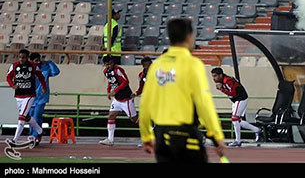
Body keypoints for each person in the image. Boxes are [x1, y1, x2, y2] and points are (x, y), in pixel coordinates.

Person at [139, 18, 225, 163]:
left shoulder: (157, 65)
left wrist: (146, 136)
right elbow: (203, 102)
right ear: (188, 37)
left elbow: (145, 103)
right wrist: (216, 135)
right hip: (186, 136)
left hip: (161, 137)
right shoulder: (193, 64)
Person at [211, 67, 262, 147]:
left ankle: (238, 141)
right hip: (236, 101)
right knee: (237, 121)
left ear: (220, 75)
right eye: (213, 76)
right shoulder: (224, 81)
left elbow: (233, 93)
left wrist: (222, 89)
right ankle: (257, 130)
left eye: (215, 76)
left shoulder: (228, 81)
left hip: (241, 99)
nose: (214, 78)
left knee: (235, 119)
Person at [6, 49, 47, 144]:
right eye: (20, 57)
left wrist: (44, 87)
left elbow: (41, 76)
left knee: (22, 116)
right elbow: (8, 77)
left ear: (27, 58)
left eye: (23, 57)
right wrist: (12, 85)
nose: (21, 59)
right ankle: (40, 131)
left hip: (29, 95)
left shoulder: (33, 66)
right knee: (27, 117)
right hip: (18, 95)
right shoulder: (14, 66)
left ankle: (14, 140)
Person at [100, 55, 138, 146]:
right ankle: (110, 139)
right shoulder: (106, 71)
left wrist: (115, 90)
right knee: (111, 116)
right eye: (106, 65)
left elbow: (126, 82)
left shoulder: (118, 70)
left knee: (134, 119)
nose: (108, 66)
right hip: (117, 99)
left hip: (126, 99)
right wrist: (108, 91)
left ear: (112, 62)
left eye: (110, 64)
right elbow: (111, 82)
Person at [28, 53, 60, 146]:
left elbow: (56, 72)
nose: (38, 62)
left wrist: (49, 62)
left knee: (37, 116)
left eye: (39, 60)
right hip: (30, 96)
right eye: (36, 61)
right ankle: (35, 133)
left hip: (42, 97)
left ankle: (34, 137)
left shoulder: (45, 67)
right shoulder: (29, 69)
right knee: (30, 117)